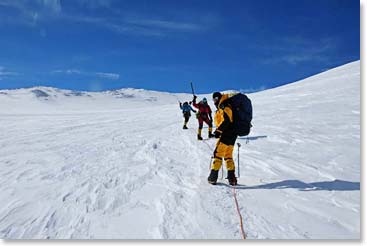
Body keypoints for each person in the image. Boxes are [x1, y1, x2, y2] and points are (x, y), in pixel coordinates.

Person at [208, 91, 238, 185]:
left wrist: (218, 131)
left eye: (216, 99)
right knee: (228, 156)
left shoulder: (224, 105)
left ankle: (213, 177)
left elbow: (227, 120)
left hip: (226, 133)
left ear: (219, 98)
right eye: (213, 99)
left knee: (218, 154)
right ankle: (232, 178)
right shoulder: (223, 106)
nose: (214, 101)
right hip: (232, 134)